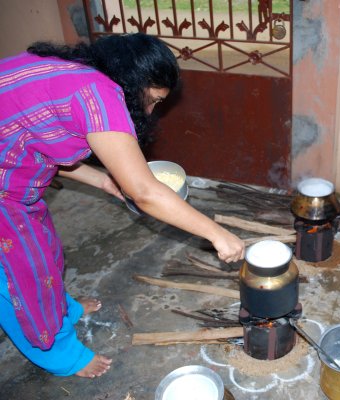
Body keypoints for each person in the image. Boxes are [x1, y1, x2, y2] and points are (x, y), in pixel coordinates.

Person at [0, 33, 245, 379]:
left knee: (45, 253)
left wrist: (102, 180)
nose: (149, 110)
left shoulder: (78, 73)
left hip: (14, 181)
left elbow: (40, 136)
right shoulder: (100, 96)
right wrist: (217, 234)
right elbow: (145, 192)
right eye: (154, 100)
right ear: (134, 82)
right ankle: (59, 352)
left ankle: (60, 309)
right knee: (18, 273)